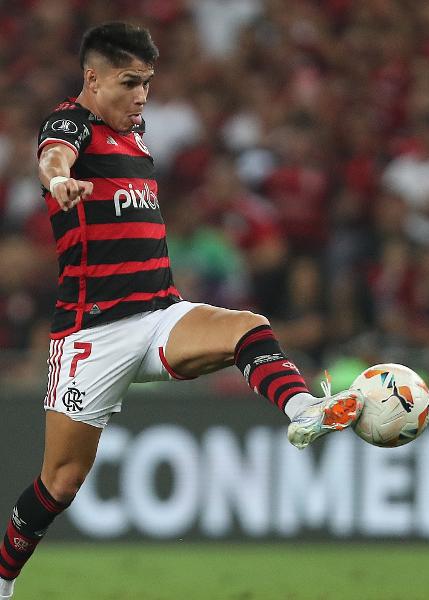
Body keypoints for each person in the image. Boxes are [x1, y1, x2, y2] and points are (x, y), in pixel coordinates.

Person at [0, 22, 364, 599]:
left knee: (248, 327)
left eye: (147, 83)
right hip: (91, 332)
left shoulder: (137, 133)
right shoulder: (72, 123)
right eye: (129, 83)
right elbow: (53, 155)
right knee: (60, 483)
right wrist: (61, 179)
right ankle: (1, 577)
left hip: (159, 313)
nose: (142, 96)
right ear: (92, 80)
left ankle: (302, 408)